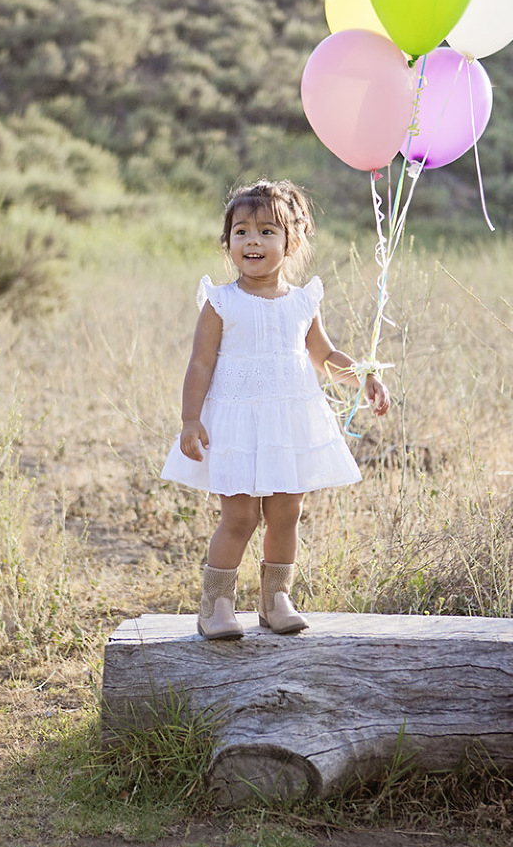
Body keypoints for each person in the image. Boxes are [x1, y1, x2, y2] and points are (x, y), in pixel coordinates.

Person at [161, 179, 390, 640]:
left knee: (288, 511)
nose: (253, 241)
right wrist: (190, 419)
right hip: (237, 423)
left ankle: (275, 598)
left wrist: (363, 374)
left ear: (292, 242)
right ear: (228, 243)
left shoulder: (303, 301)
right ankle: (216, 604)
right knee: (241, 516)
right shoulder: (221, 302)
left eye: (267, 231)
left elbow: (324, 356)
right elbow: (201, 363)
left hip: (288, 423)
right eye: (241, 231)